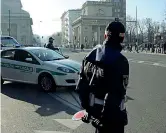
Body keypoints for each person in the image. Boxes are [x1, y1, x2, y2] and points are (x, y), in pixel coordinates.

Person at [77, 20, 129, 133]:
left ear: (105, 35)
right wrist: (104, 121)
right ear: (122, 38)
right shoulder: (121, 61)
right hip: (112, 118)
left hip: (95, 112)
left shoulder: (90, 55)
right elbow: (115, 94)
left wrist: (87, 109)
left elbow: (82, 84)